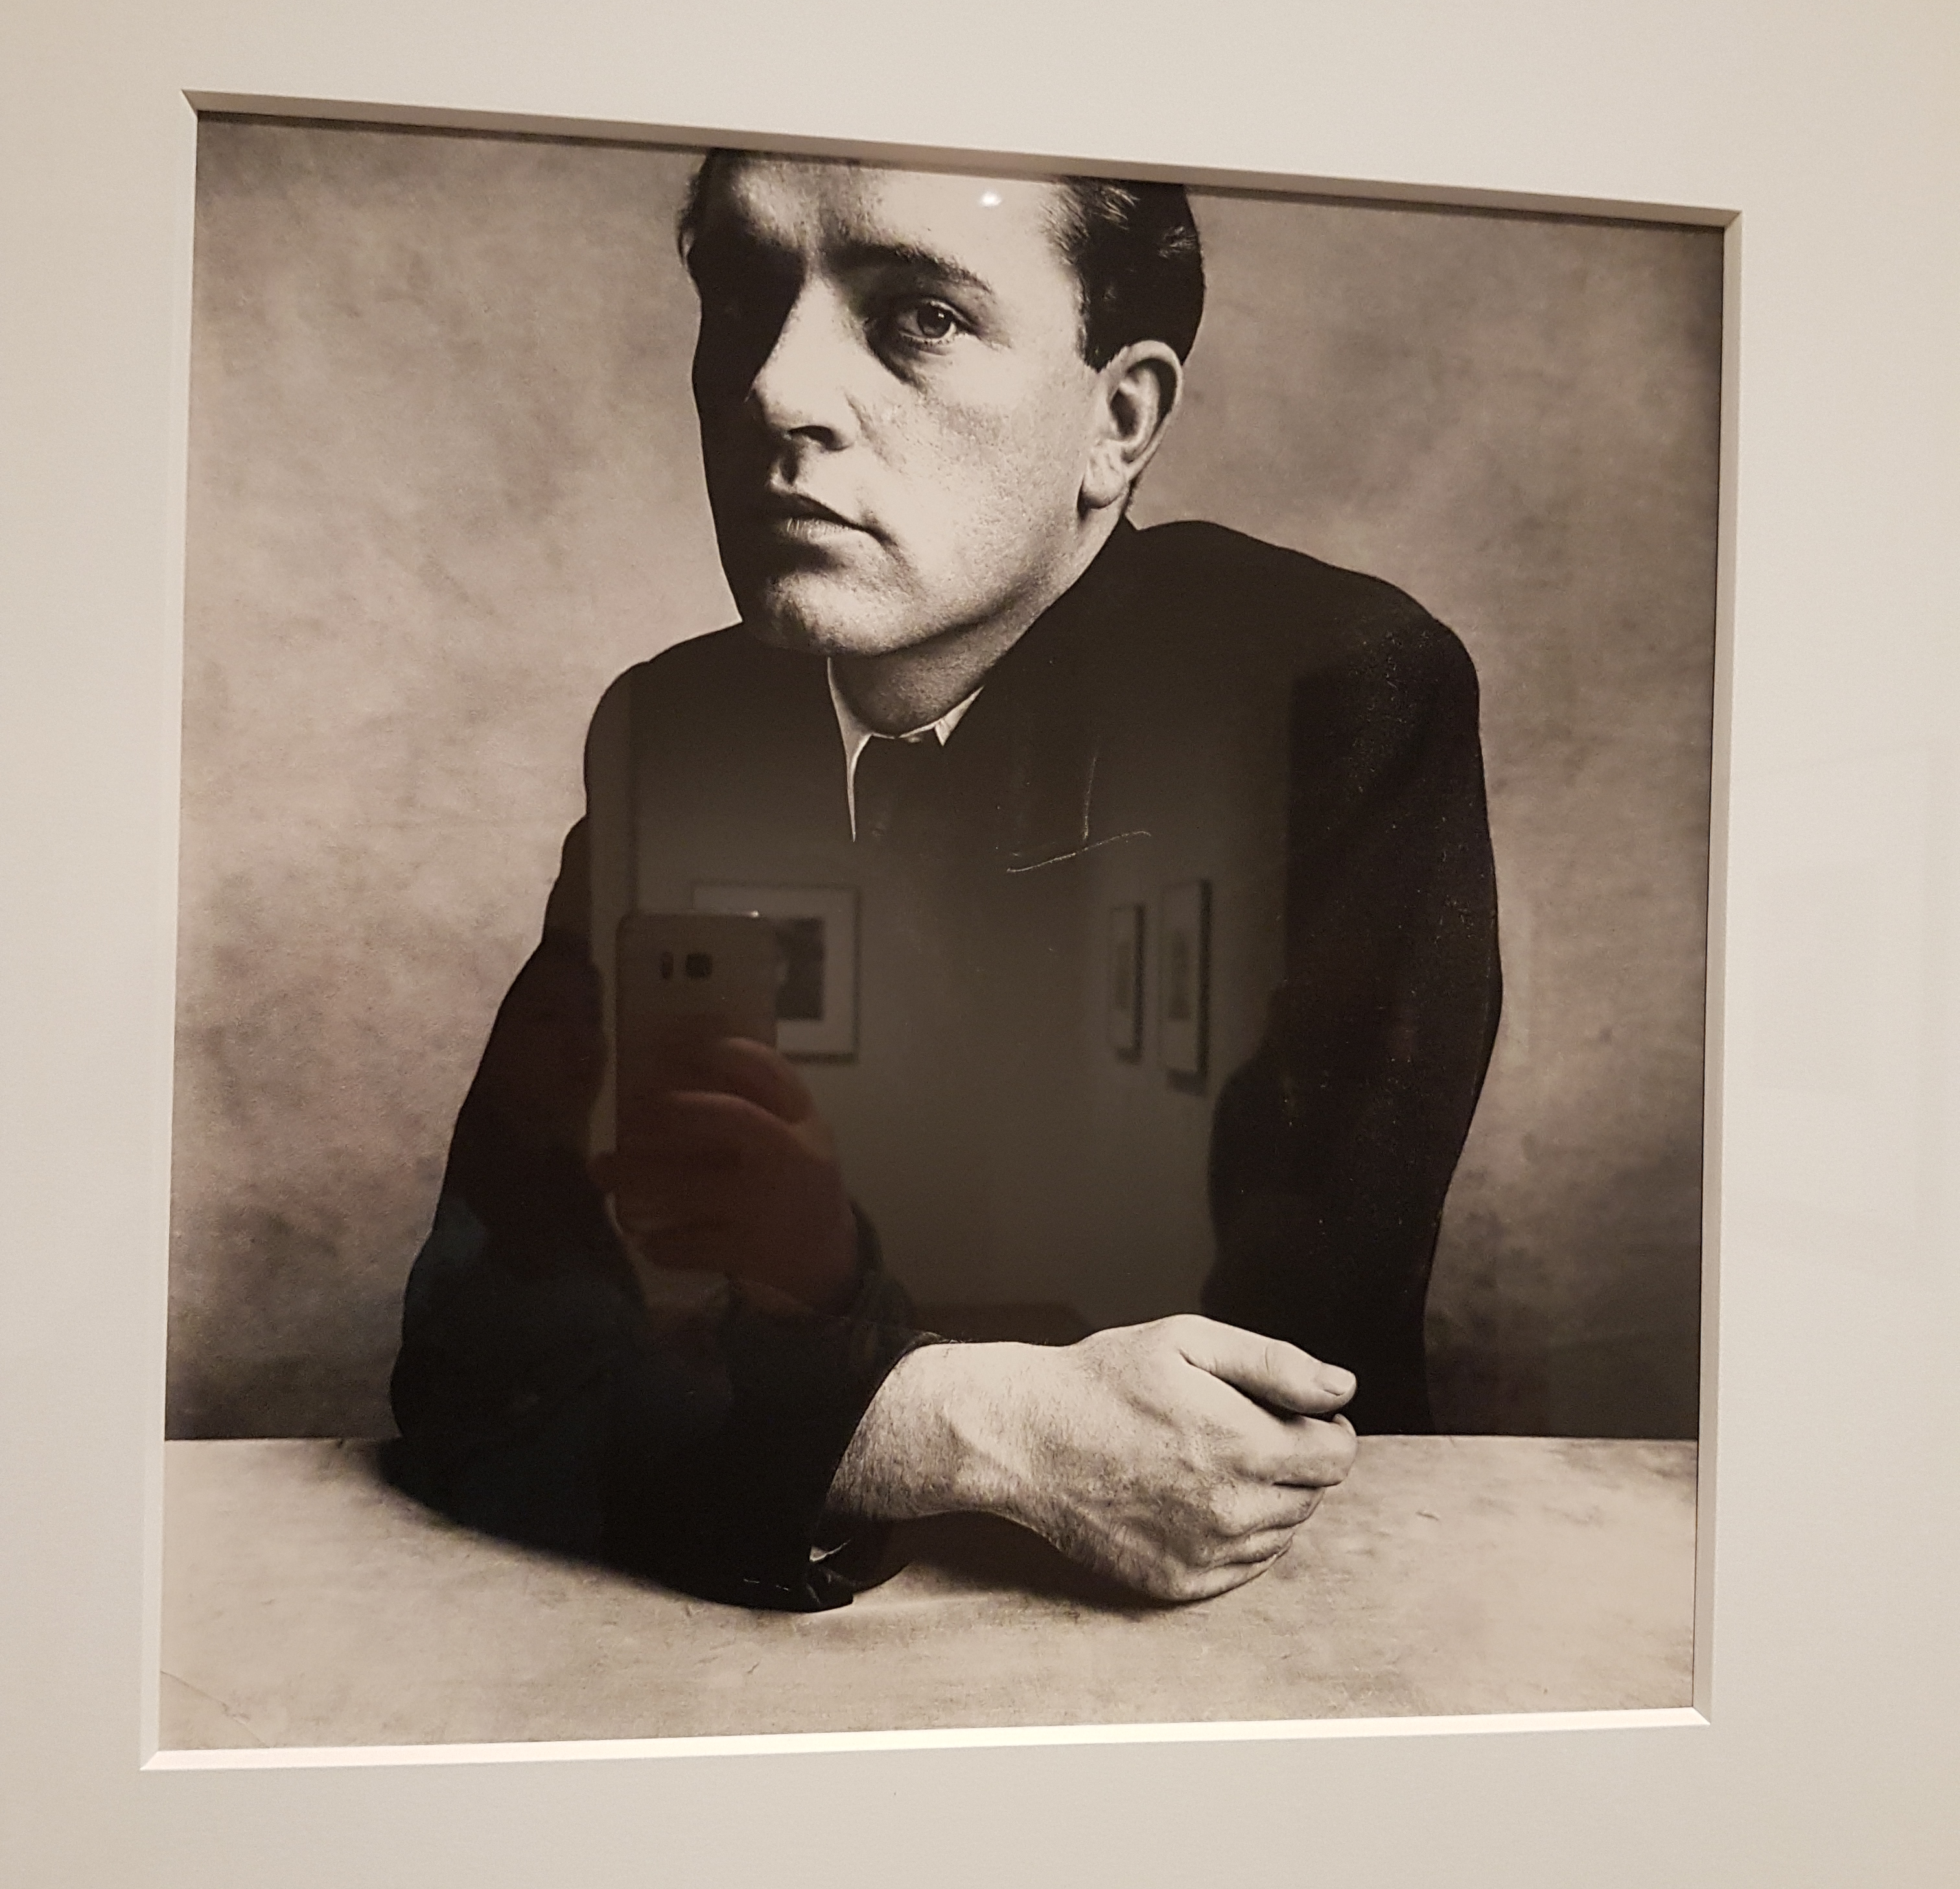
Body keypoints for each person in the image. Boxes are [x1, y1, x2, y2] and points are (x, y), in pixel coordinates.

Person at [389, 154, 1502, 1612]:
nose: (774, 392)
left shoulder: (1330, 695)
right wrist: (962, 1423)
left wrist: (776, 1362)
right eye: (744, 296)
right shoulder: (678, 728)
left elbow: (1226, 1414)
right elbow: (482, 1351)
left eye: (920, 316)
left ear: (1117, 421)